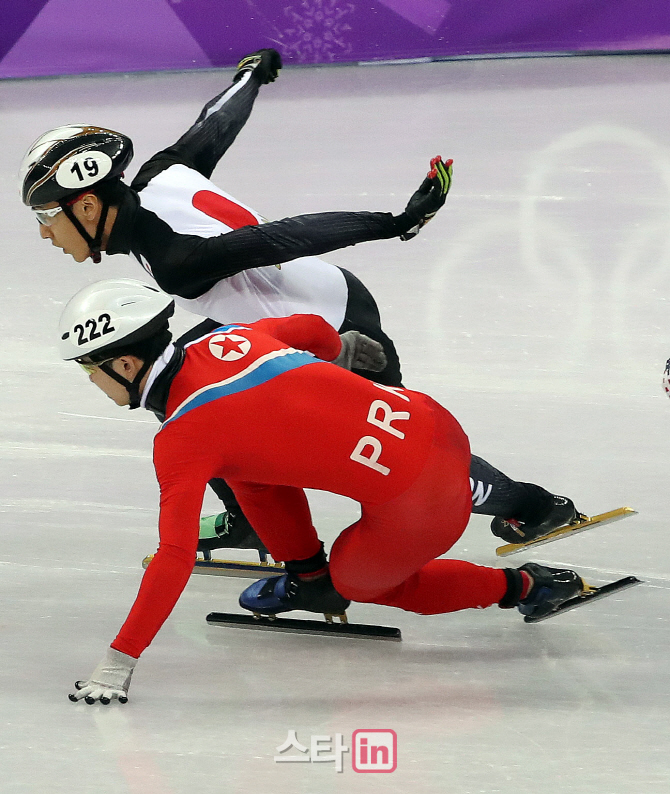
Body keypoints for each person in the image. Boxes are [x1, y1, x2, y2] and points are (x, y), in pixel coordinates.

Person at [21, 49, 578, 553]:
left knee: (401, 456)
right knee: (183, 392)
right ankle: (246, 517)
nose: (47, 234)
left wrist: (394, 223)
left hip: (335, 335)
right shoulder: (158, 175)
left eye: (48, 218)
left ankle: (533, 507)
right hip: (326, 299)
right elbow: (215, 124)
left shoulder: (173, 260)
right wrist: (251, 75)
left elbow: (282, 236)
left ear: (88, 207)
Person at [61, 279, 586, 704]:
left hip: (421, 501)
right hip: (427, 418)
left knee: (364, 581)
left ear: (125, 365)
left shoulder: (181, 437)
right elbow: (309, 328)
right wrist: (341, 351)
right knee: (249, 467)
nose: (92, 383)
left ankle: (523, 587)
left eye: (90, 372)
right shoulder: (223, 336)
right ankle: (311, 577)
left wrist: (119, 661)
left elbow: (174, 555)